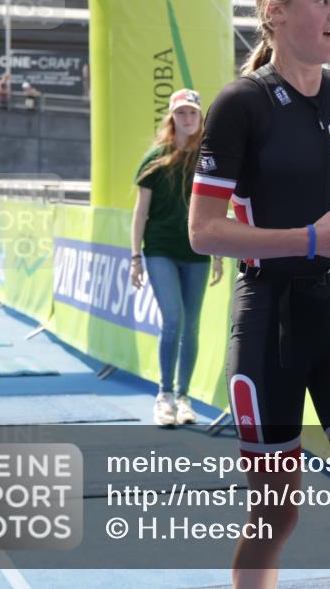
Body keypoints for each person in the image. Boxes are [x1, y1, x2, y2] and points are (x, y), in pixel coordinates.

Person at [187, 0, 330, 589]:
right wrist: (312, 240)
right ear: (275, 13)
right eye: (322, 1)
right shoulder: (240, 104)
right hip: (270, 323)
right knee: (277, 511)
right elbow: (203, 232)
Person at [131, 88, 223, 428]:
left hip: (196, 252)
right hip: (160, 250)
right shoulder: (155, 158)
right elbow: (140, 213)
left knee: (191, 326)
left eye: (192, 113)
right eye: (181, 113)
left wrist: (217, 254)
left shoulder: (208, 159)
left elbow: (216, 209)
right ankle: (164, 395)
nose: (187, 118)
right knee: (173, 319)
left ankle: (184, 397)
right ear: (172, 118)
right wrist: (135, 257)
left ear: (200, 118)